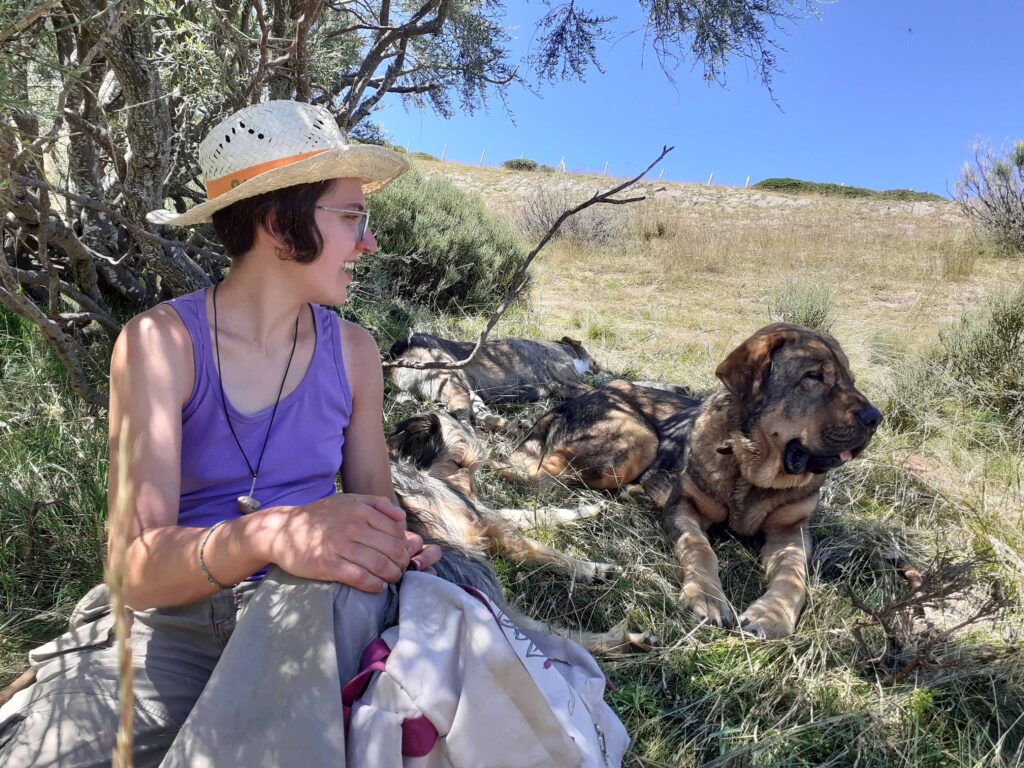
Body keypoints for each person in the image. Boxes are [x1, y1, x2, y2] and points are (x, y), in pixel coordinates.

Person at [0, 100, 443, 767]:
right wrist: (269, 534)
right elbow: (132, 571)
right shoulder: (159, 345)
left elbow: (374, 511)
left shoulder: (353, 353)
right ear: (276, 221)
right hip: (172, 625)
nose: (368, 243)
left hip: (311, 610)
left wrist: (394, 546)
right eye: (351, 217)